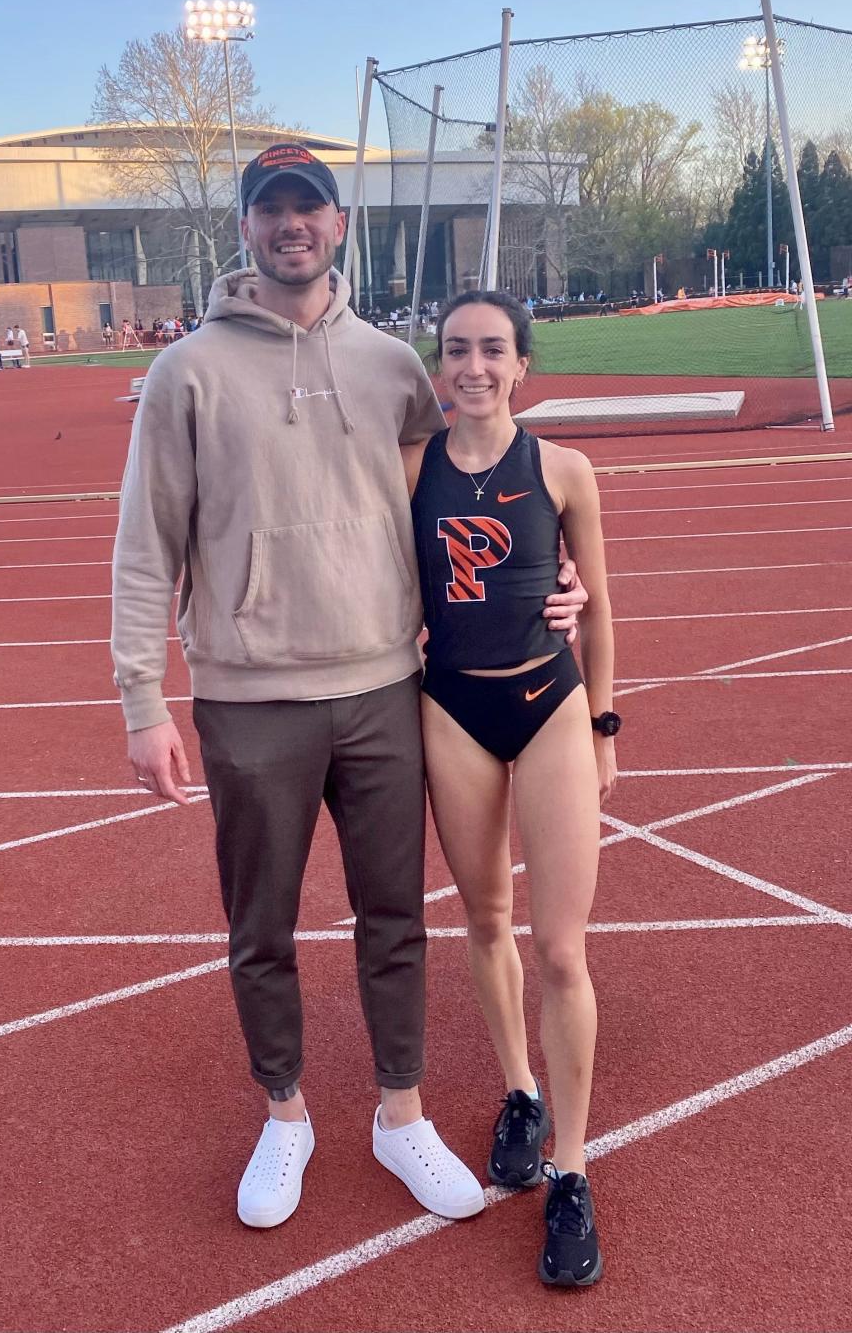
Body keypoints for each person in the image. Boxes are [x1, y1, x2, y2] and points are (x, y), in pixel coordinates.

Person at [111, 142, 587, 1234]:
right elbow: (146, 548)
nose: (291, 225)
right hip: (248, 698)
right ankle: (285, 1114)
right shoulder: (185, 373)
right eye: (271, 209)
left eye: (309, 209)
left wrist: (553, 574)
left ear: (336, 227)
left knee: (394, 920)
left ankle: (399, 1112)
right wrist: (144, 701)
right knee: (261, 929)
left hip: (384, 687)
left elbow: (470, 485)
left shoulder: (390, 367)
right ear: (247, 228)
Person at [404, 289, 615, 1287]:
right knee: (485, 921)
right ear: (437, 366)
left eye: (493, 349)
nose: (474, 366)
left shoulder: (565, 468)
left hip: (548, 708)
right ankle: (520, 1094)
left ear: (523, 364)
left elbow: (599, 604)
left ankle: (571, 1168)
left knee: (560, 946)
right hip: (452, 709)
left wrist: (606, 724)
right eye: (457, 350)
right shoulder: (412, 468)